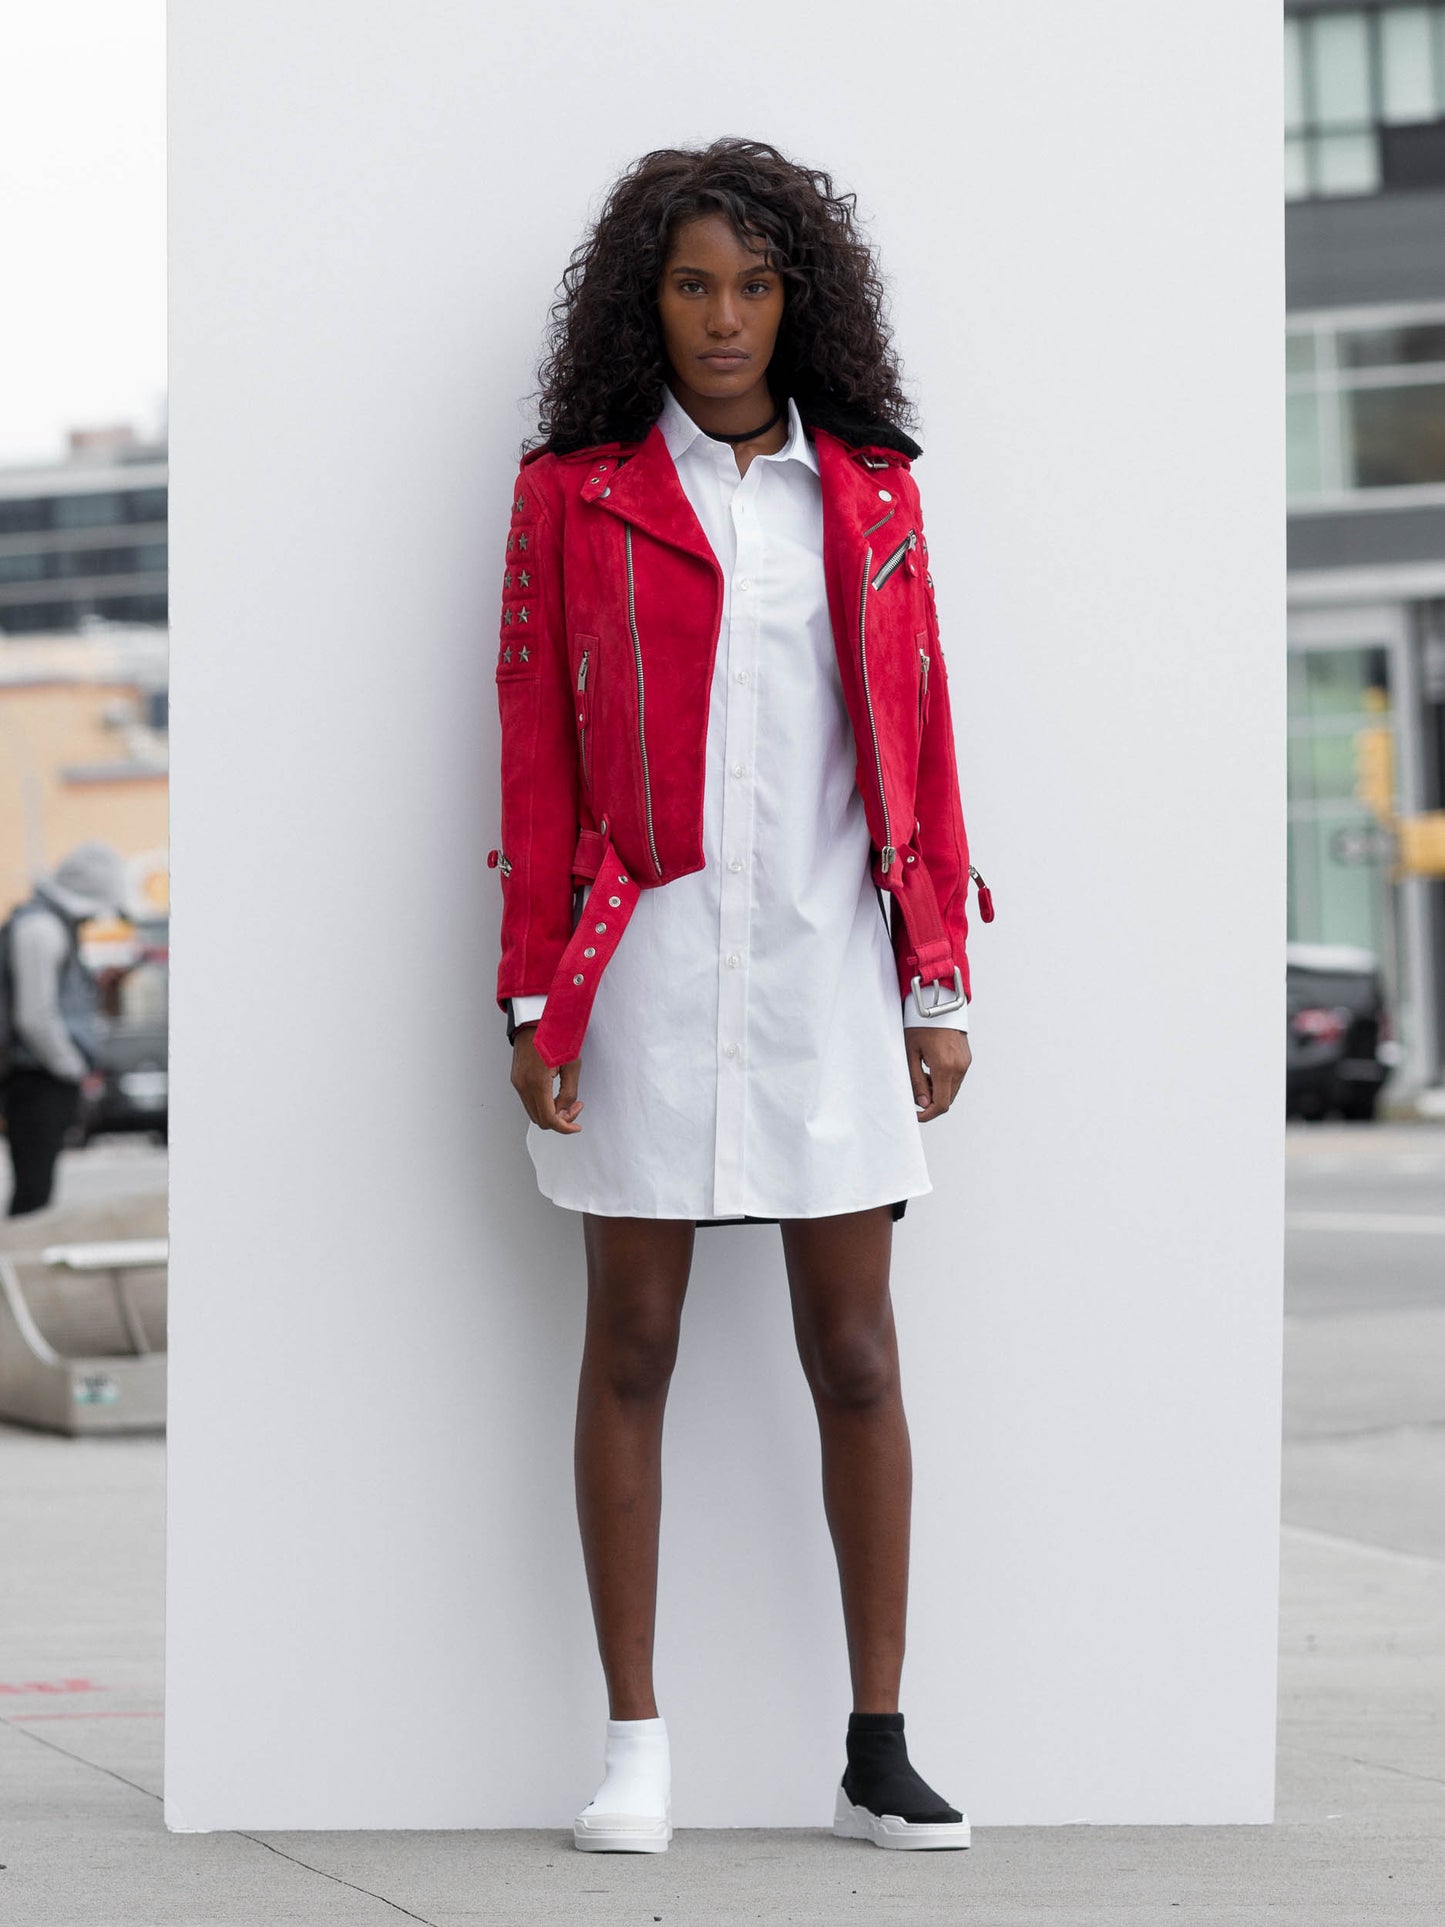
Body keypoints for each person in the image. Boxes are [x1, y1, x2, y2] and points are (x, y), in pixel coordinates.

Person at [490, 138, 994, 1853]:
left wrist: (937, 977)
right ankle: (635, 1744)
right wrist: (530, 1002)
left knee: (853, 1348)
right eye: (693, 285)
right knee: (630, 1341)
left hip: (829, 965)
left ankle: (877, 1745)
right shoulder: (574, 495)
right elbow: (533, 752)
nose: (723, 318)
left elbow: (920, 738)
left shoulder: (871, 492)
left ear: (799, 302)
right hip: (635, 967)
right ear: (646, 304)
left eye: (754, 286)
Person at [0, 841, 130, 1216]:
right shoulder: (41, 928)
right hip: (35, 1077)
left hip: (41, 1073)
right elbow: (34, 1017)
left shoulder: (49, 925)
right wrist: (73, 1067)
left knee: (38, 1187)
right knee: (34, 1192)